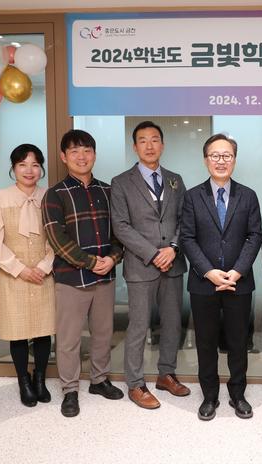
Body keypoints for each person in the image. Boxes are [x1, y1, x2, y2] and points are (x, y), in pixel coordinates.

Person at [42, 130, 124, 418]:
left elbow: (120, 233)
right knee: (68, 338)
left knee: (103, 332)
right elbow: (57, 239)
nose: (81, 156)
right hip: (71, 279)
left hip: (105, 276)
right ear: (63, 157)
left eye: (87, 150)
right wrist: (90, 262)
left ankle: (99, 380)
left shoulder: (108, 191)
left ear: (94, 155)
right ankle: (70, 389)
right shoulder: (55, 194)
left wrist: (113, 258)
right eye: (74, 151)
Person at [180, 133, 262, 421]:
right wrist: (209, 272)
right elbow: (187, 238)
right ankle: (209, 396)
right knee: (206, 343)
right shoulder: (192, 196)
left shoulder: (248, 195)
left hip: (239, 283)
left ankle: (238, 395)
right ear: (206, 160)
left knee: (239, 342)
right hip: (204, 283)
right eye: (215, 155)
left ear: (234, 160)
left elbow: (254, 236)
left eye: (227, 155)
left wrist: (237, 271)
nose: (221, 161)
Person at [110, 121, 190, 409]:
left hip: (173, 263)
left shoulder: (175, 179)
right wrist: (154, 254)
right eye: (143, 140)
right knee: (139, 325)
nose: (149, 145)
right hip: (141, 265)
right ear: (135, 147)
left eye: (155, 140)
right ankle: (135, 383)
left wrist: (173, 249)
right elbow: (120, 226)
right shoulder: (121, 182)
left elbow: (184, 219)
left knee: (172, 323)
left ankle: (166, 374)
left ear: (162, 145)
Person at [0, 144, 55, 407]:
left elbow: (57, 237)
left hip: (43, 275)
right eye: (22, 165)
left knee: (43, 331)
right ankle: (23, 381)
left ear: (41, 169)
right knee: (17, 331)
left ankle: (40, 379)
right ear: (13, 168)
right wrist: (21, 269)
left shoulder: (50, 196)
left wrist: (44, 266)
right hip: (12, 276)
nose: (29, 170)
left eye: (35, 165)